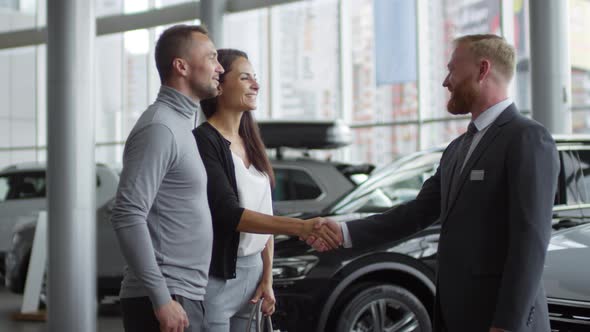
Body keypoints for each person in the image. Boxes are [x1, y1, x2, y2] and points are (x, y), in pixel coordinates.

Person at [310, 34, 559, 332]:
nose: (445, 81)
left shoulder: (527, 137)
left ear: (482, 70)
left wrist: (507, 324)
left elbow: (530, 243)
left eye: (452, 69)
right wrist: (345, 231)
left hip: (501, 321)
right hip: (457, 316)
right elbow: (416, 213)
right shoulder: (457, 149)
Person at [193, 49, 340, 332]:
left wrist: (267, 279)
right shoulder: (203, 142)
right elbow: (229, 214)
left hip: (254, 275)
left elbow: (265, 213)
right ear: (219, 85)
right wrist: (301, 227)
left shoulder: (251, 141)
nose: (256, 85)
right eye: (246, 78)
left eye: (255, 78)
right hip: (217, 277)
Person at [111, 24, 224, 332]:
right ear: (181, 66)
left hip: (184, 294)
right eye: (212, 57)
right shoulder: (160, 127)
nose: (220, 67)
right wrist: (161, 299)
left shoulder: (180, 125)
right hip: (165, 298)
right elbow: (126, 213)